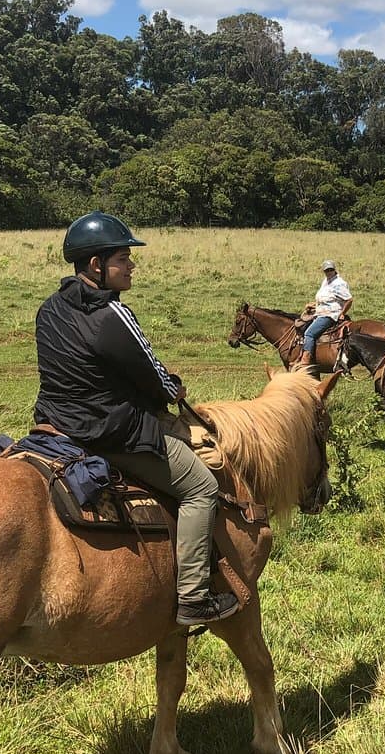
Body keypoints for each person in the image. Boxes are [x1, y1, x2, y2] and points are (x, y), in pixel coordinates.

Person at [34, 210, 240, 627]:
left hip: (54, 424)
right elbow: (155, 378)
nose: (131, 266)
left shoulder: (49, 309)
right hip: (110, 433)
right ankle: (194, 599)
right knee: (201, 487)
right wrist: (175, 388)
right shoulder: (113, 313)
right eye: (124, 258)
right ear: (97, 265)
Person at [300, 260, 352, 367]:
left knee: (309, 333)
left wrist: (342, 313)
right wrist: (314, 305)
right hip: (320, 312)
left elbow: (349, 299)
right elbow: (327, 299)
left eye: (330, 270)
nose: (329, 272)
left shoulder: (339, 283)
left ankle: (305, 360)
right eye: (326, 270)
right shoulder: (326, 281)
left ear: (334, 270)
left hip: (330, 315)